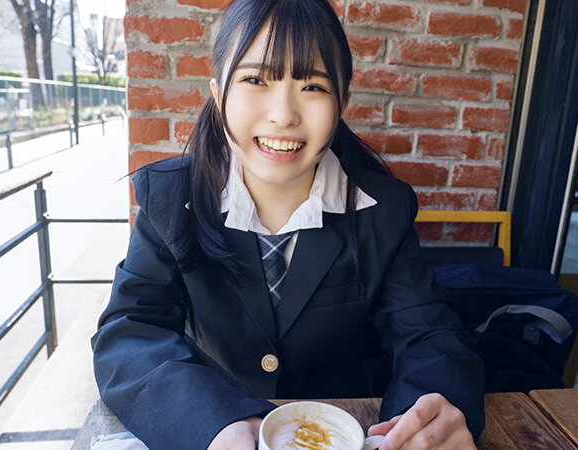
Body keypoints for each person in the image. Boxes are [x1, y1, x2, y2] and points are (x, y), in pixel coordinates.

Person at [90, 1, 485, 449]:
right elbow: (130, 331)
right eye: (255, 80)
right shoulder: (169, 199)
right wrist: (213, 422)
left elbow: (431, 335)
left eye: (312, 86)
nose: (283, 115)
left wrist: (430, 415)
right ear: (218, 93)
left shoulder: (382, 209)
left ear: (342, 101)